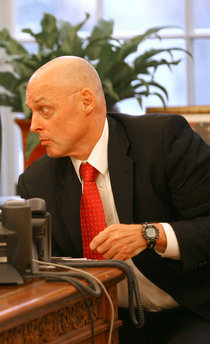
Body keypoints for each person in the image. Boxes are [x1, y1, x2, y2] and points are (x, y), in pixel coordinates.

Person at [17, 56, 210, 343]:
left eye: (44, 110)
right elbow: (48, 271)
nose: (34, 126)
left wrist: (152, 234)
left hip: (190, 310)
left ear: (86, 101)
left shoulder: (162, 140)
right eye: (32, 112)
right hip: (104, 321)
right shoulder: (36, 183)